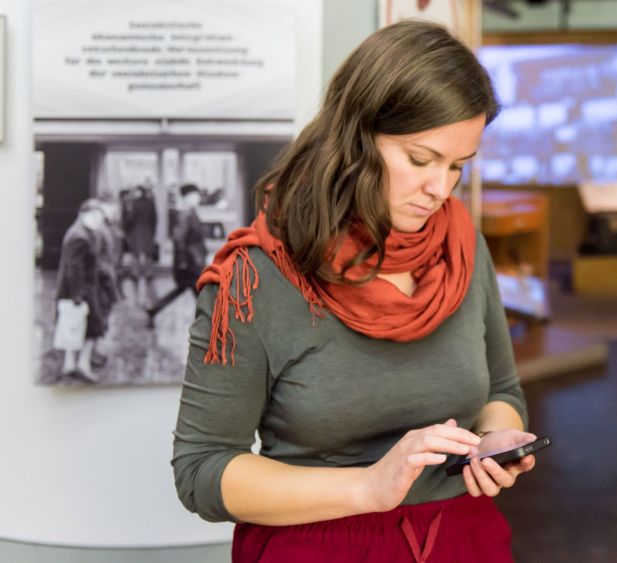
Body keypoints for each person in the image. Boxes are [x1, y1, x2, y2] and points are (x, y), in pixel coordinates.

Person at [172, 21, 536, 562]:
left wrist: (499, 440)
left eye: (457, 166)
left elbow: (502, 392)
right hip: (319, 546)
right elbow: (201, 468)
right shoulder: (255, 276)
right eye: (420, 159)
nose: (440, 189)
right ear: (354, 138)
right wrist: (367, 487)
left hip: (464, 540)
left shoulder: (460, 243)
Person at [54, 199, 113, 382]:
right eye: (93, 216)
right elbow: (75, 267)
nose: (97, 220)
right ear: (83, 214)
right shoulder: (80, 236)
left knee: (75, 325)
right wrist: (78, 295)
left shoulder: (82, 232)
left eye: (100, 217)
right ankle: (82, 364)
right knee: (94, 327)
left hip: (77, 289)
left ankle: (69, 364)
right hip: (82, 290)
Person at [147, 183, 205, 327]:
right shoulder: (185, 214)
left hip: (192, 260)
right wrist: (182, 262)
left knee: (185, 290)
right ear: (188, 197)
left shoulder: (190, 212)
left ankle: (154, 310)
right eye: (195, 195)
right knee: (201, 292)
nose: (198, 198)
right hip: (190, 262)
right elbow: (179, 239)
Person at [122, 185, 158, 305]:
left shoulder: (133, 204)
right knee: (148, 263)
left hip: (136, 235)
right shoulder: (151, 203)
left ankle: (136, 296)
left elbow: (128, 221)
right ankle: (151, 296)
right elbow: (155, 220)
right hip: (148, 235)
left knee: (136, 264)